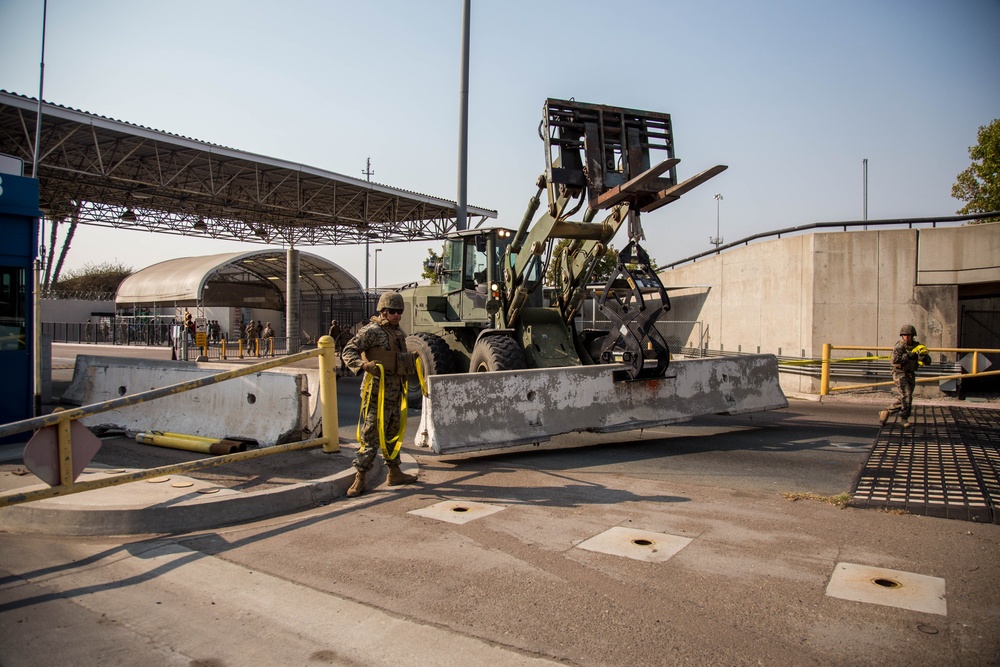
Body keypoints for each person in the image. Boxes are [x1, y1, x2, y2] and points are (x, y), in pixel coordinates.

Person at [341, 292, 418, 497]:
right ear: (382, 310)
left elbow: (397, 358)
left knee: (392, 433)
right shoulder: (372, 331)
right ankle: (360, 478)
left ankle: (394, 472)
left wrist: (410, 359)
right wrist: (364, 365)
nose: (396, 315)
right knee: (371, 435)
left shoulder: (397, 332)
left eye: (399, 312)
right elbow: (349, 351)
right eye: (392, 311)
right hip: (376, 392)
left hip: (395, 391)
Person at [880, 324, 931, 428]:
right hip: (899, 373)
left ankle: (887, 411)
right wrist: (908, 355)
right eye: (905, 335)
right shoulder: (899, 346)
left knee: (906, 398)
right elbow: (894, 360)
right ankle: (904, 419)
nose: (907, 337)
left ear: (913, 336)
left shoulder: (918, 347)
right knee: (906, 396)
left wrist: (923, 357)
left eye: (909, 335)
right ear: (902, 336)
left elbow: (928, 361)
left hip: (910, 374)